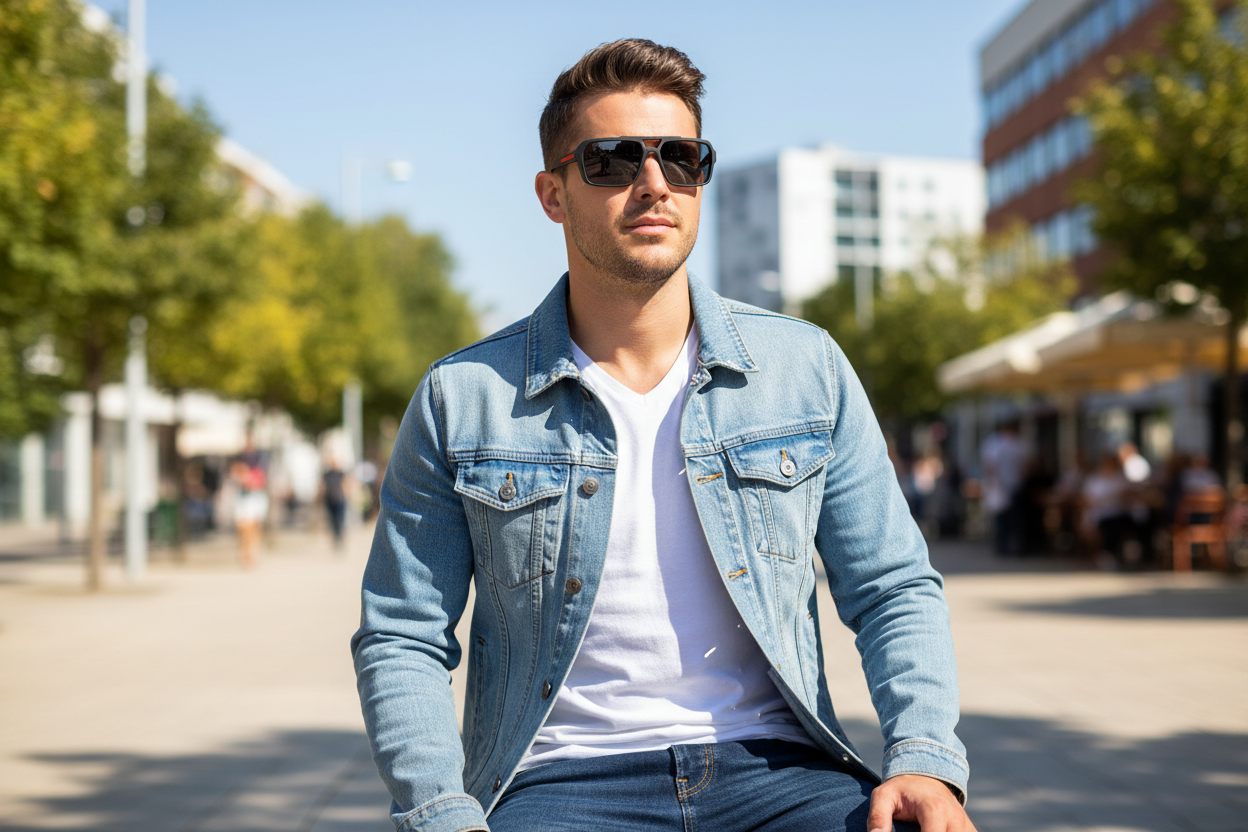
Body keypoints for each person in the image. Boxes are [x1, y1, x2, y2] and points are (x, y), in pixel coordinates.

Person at [352, 40, 973, 832]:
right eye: (612, 161)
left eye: (681, 159)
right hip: (560, 783)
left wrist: (924, 757)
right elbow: (402, 634)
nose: (654, 184)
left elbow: (892, 586)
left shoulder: (803, 369)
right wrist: (440, 811)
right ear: (553, 194)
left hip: (780, 770)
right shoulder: (464, 398)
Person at [979, 420, 1024, 555]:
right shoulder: (999, 444)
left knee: (1006, 520)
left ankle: (1005, 547)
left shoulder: (1003, 444)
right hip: (1003, 487)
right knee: (1004, 519)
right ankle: (1004, 547)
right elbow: (990, 465)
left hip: (1006, 486)